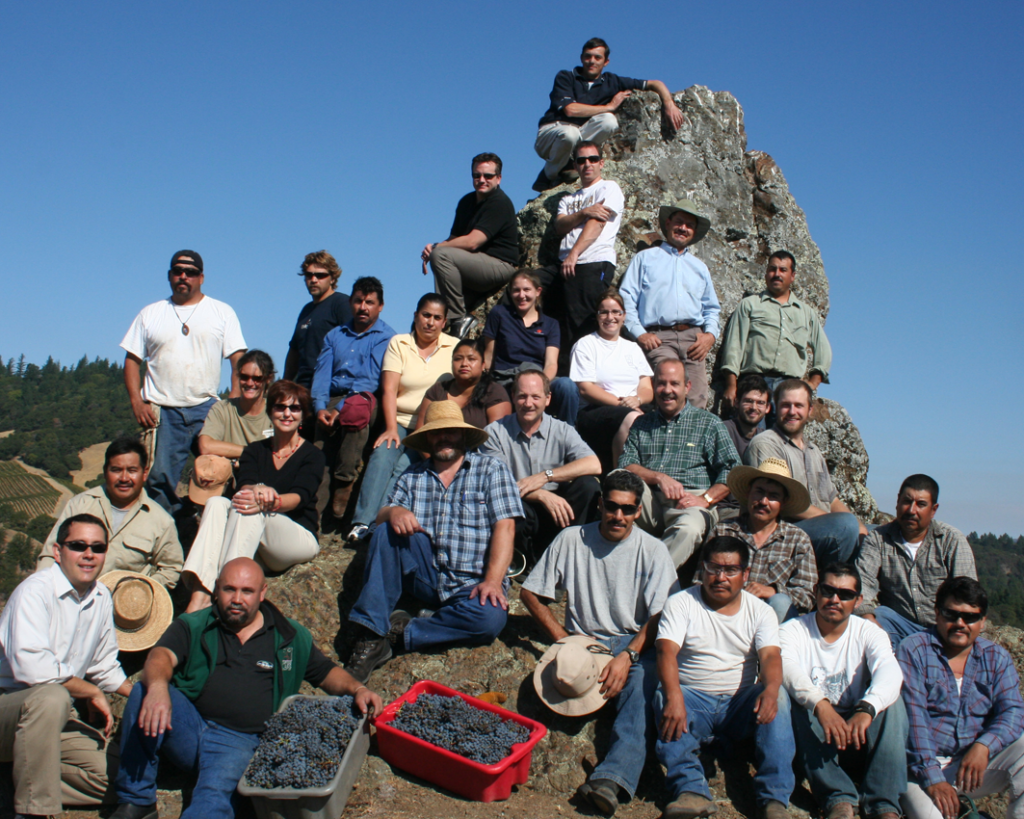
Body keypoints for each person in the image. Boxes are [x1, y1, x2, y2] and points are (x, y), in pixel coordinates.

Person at [111, 557, 383, 819]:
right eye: (229, 589)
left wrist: (358, 689)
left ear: (263, 592)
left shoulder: (289, 636)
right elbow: (161, 656)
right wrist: (158, 687)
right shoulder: (194, 625)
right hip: (190, 727)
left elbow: (325, 672)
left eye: (247, 591)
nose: (237, 599)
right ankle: (137, 801)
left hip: (239, 740)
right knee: (143, 689)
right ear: (217, 588)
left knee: (212, 799)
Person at [522, 471, 677, 816]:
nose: (618, 516)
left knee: (640, 685)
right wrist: (564, 642)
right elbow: (530, 592)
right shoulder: (571, 539)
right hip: (584, 642)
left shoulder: (653, 550)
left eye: (627, 509)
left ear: (638, 511)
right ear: (600, 503)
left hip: (632, 639)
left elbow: (661, 615)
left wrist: (629, 655)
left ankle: (612, 779)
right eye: (611, 506)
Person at [344, 401, 522, 683]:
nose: (444, 437)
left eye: (450, 431)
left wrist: (492, 581)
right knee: (384, 531)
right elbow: (381, 515)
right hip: (425, 574)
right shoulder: (413, 475)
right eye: (437, 432)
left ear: (463, 435)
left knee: (489, 620)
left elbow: (506, 526)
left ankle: (402, 631)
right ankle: (370, 633)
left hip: (472, 583)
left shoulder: (492, 470)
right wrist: (394, 511)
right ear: (428, 437)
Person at [0, 514, 133, 817]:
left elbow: (103, 664)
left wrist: (141, 694)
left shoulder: (100, 597)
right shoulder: (34, 592)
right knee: (52, 696)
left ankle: (18, 778)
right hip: (8, 708)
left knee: (112, 778)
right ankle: (34, 811)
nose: (89, 554)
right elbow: (33, 670)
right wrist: (88, 690)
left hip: (49, 720)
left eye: (97, 547)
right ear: (58, 552)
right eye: (78, 545)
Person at [655, 536, 795, 819]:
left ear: (745, 574)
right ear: (703, 569)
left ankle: (775, 800)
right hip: (693, 700)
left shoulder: (761, 612)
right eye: (713, 568)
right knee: (663, 693)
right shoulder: (681, 603)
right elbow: (666, 652)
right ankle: (690, 791)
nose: (720, 577)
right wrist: (674, 696)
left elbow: (769, 657)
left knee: (776, 695)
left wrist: (770, 689)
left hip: (738, 705)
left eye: (730, 570)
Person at [121, 250, 247, 515]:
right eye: (178, 271)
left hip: (207, 408)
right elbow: (132, 360)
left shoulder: (221, 312)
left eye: (190, 272)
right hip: (162, 409)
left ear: (201, 277)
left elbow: (238, 360)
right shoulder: (151, 313)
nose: (183, 276)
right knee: (160, 479)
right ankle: (162, 538)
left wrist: (232, 402)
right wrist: (136, 400)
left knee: (217, 471)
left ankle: (211, 528)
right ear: (169, 276)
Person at [181, 380, 325, 613]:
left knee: (251, 507)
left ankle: (226, 595)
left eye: (295, 408)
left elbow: (300, 497)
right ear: (270, 412)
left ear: (303, 415)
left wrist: (271, 500)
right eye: (280, 407)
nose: (287, 413)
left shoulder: (312, 455)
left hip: (297, 538)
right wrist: (257, 489)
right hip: (258, 545)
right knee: (217, 503)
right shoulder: (255, 451)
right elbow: (246, 485)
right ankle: (199, 597)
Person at [780, 563, 907, 819]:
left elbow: (890, 671)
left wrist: (867, 708)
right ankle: (837, 799)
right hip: (814, 738)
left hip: (856, 735)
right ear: (816, 591)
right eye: (828, 590)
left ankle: (883, 804)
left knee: (892, 701)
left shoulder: (869, 632)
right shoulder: (792, 630)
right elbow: (786, 668)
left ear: (858, 600)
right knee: (789, 697)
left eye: (845, 594)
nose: (835, 599)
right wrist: (821, 705)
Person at [898, 577, 1024, 819]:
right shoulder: (913, 650)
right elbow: (915, 720)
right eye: (951, 614)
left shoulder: (996, 657)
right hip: (917, 770)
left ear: (983, 621)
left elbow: (1014, 712)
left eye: (970, 617)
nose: (960, 623)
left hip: (970, 766)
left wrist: (983, 746)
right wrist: (933, 779)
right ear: (937, 613)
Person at [344, 293, 457, 542]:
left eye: (437, 318)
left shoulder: (453, 347)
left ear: (444, 322)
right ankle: (361, 523)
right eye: (426, 315)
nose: (430, 322)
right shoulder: (399, 343)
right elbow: (389, 390)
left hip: (429, 426)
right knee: (383, 455)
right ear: (416, 316)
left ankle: (378, 524)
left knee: (404, 466)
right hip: (400, 420)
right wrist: (391, 427)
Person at [619, 359, 739, 568]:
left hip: (690, 502)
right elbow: (626, 464)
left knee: (689, 529)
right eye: (661, 383)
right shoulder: (642, 423)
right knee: (615, 483)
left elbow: (732, 470)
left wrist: (706, 498)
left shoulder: (709, 423)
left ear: (687, 387)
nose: (667, 390)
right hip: (651, 501)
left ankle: (646, 579)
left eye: (674, 383)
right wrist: (659, 477)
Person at [532, 37, 684, 192]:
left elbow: (654, 83)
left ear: (606, 62)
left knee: (609, 121)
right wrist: (608, 106)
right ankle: (548, 175)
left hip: (579, 136)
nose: (592, 61)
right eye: (588, 56)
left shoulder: (612, 81)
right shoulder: (566, 77)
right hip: (552, 134)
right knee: (570, 133)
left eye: (597, 57)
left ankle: (573, 161)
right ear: (581, 58)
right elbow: (571, 109)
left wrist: (669, 103)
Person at [481, 370, 602, 561]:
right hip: (522, 506)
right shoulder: (494, 434)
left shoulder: (562, 429)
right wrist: (541, 494)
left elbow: (594, 464)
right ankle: (522, 559)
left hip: (560, 510)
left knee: (588, 485)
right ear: (513, 397)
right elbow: (498, 484)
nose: (528, 404)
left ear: (548, 399)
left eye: (535, 397)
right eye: (522, 396)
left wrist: (546, 476)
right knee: (511, 504)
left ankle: (570, 554)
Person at [745, 379, 866, 566]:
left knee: (878, 535)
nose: (792, 412)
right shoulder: (766, 444)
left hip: (825, 526)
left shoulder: (813, 451)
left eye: (799, 406)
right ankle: (826, 586)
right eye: (786, 405)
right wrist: (838, 522)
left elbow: (832, 499)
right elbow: (786, 504)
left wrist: (860, 528)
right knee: (844, 527)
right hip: (785, 532)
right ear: (776, 408)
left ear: (809, 411)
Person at [39, 436, 183, 588]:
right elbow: (50, 554)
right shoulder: (80, 504)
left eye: (132, 470)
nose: (124, 478)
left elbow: (171, 568)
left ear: (145, 473)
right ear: (105, 471)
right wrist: (43, 591)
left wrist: (142, 590)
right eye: (116, 470)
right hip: (73, 598)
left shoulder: (161, 521)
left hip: (122, 608)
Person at [619, 199, 720, 409]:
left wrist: (710, 335)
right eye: (679, 222)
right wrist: (640, 333)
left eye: (689, 225)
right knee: (667, 391)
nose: (683, 228)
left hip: (694, 339)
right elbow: (626, 298)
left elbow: (711, 308)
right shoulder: (644, 259)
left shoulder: (699, 268)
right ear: (667, 223)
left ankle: (691, 442)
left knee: (697, 396)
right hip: (659, 338)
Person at [855, 474, 977, 648]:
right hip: (898, 626)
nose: (911, 510)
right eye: (906, 501)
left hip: (943, 627)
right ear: (897, 502)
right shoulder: (878, 539)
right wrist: (868, 621)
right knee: (874, 618)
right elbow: (862, 586)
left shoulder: (951, 540)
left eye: (921, 504)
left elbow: (968, 594)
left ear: (933, 509)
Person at [311, 277, 396, 519]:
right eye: (358, 301)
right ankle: (314, 517)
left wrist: (339, 408)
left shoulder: (385, 337)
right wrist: (320, 407)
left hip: (365, 397)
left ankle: (345, 480)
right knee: (321, 446)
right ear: (350, 303)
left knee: (354, 411)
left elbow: (369, 379)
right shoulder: (335, 335)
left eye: (370, 302)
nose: (363, 307)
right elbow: (322, 375)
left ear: (380, 306)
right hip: (332, 396)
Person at [535, 141, 624, 351]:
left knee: (583, 321)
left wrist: (574, 253)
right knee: (530, 285)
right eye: (581, 160)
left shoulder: (609, 188)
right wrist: (584, 212)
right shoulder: (568, 199)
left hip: (592, 262)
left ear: (601, 163)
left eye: (592, 159)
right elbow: (560, 226)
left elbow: (597, 224)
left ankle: (584, 377)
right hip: (564, 264)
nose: (587, 164)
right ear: (575, 165)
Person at [718, 251, 832, 414]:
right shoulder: (750, 305)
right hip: (753, 382)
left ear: (792, 276)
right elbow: (734, 346)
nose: (776, 274)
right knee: (753, 437)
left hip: (789, 386)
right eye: (772, 269)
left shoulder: (806, 313)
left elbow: (824, 350)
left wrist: (811, 384)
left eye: (783, 270)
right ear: (766, 274)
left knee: (782, 438)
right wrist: (731, 385)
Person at [422, 153, 520, 338]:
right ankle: (444, 320)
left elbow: (473, 241)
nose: (482, 180)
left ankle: (459, 318)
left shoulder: (499, 203)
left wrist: (437, 248)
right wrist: (437, 246)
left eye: (488, 176)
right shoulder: (466, 202)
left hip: (499, 265)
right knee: (428, 309)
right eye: (477, 175)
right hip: (473, 265)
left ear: (498, 178)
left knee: (440, 255)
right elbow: (454, 238)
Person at [708, 458, 816, 623]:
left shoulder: (797, 539)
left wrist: (773, 591)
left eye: (773, 496)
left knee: (781, 603)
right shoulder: (723, 531)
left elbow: (807, 596)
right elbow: (702, 579)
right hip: (726, 616)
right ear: (748, 493)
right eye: (759, 491)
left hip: (773, 622)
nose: (763, 501)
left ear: (783, 502)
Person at [570, 287, 654, 472]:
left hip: (634, 406)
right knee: (633, 419)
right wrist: (623, 404)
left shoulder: (633, 348)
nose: (610, 317)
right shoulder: (586, 345)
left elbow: (647, 387)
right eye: (604, 312)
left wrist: (637, 400)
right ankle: (620, 479)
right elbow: (586, 389)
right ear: (597, 316)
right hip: (597, 410)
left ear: (624, 316)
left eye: (616, 312)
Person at [483, 270, 579, 424]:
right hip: (506, 379)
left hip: (538, 378)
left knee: (566, 386)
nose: (521, 295)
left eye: (526, 289)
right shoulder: (499, 314)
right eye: (516, 290)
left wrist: (538, 386)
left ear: (537, 291)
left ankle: (567, 438)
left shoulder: (550, 324)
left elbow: (551, 363)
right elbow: (489, 355)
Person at [195, 349, 275, 485]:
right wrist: (253, 453)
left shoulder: (277, 412)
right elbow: (205, 445)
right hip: (226, 486)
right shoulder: (222, 409)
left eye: (257, 378)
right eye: (244, 377)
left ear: (268, 379)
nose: (250, 383)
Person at [283, 250, 353, 392]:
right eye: (309, 275)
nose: (314, 280)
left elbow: (356, 346)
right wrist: (285, 384)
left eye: (320, 275)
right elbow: (294, 352)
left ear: (332, 278)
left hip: (331, 390)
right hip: (303, 389)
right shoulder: (306, 310)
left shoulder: (342, 304)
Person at [416, 336, 511, 430]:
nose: (464, 364)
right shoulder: (438, 390)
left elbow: (498, 438)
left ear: (483, 365)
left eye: (471, 359)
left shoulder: (494, 392)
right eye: (458, 358)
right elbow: (420, 432)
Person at [722, 373, 771, 460]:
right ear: (737, 402)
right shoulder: (722, 431)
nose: (753, 407)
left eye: (760, 403)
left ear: (767, 408)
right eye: (748, 401)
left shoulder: (766, 439)